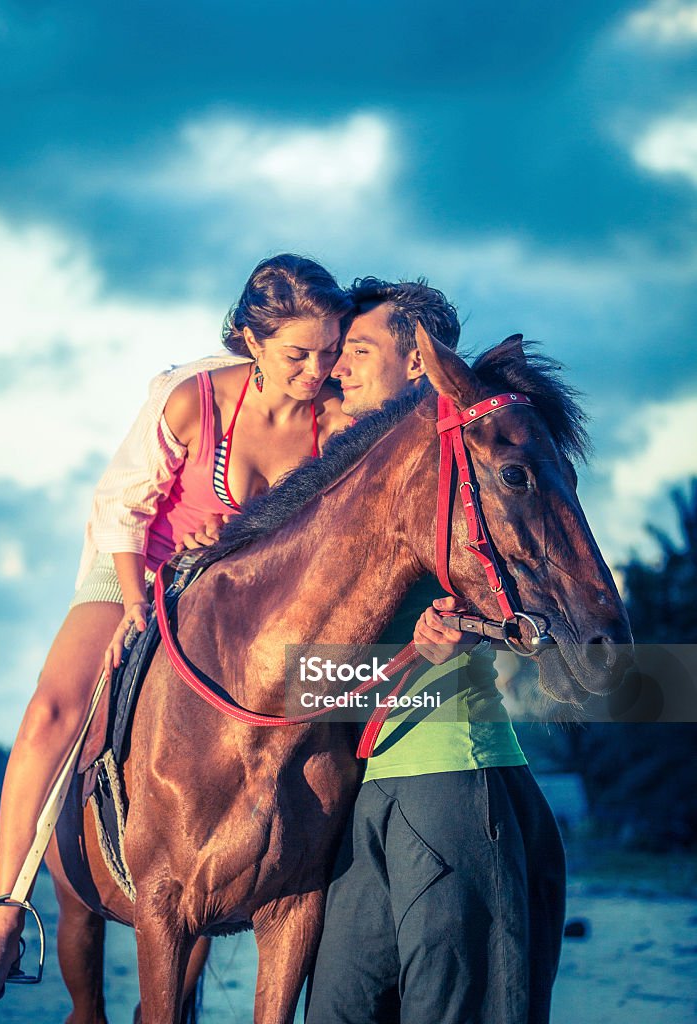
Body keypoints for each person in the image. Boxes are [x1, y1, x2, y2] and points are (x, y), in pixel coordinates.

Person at [0, 254, 352, 1013]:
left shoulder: (331, 417)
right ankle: (4, 915)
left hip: (241, 595)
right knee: (50, 710)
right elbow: (121, 507)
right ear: (249, 341)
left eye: (329, 351)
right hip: (142, 565)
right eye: (298, 354)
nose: (315, 370)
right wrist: (134, 601)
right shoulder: (191, 400)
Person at [304, 278, 566, 1024]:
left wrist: (459, 624)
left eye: (357, 350)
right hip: (372, 776)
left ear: (423, 362)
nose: (337, 368)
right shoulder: (354, 465)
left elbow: (525, 564)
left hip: (453, 762)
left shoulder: (461, 461)